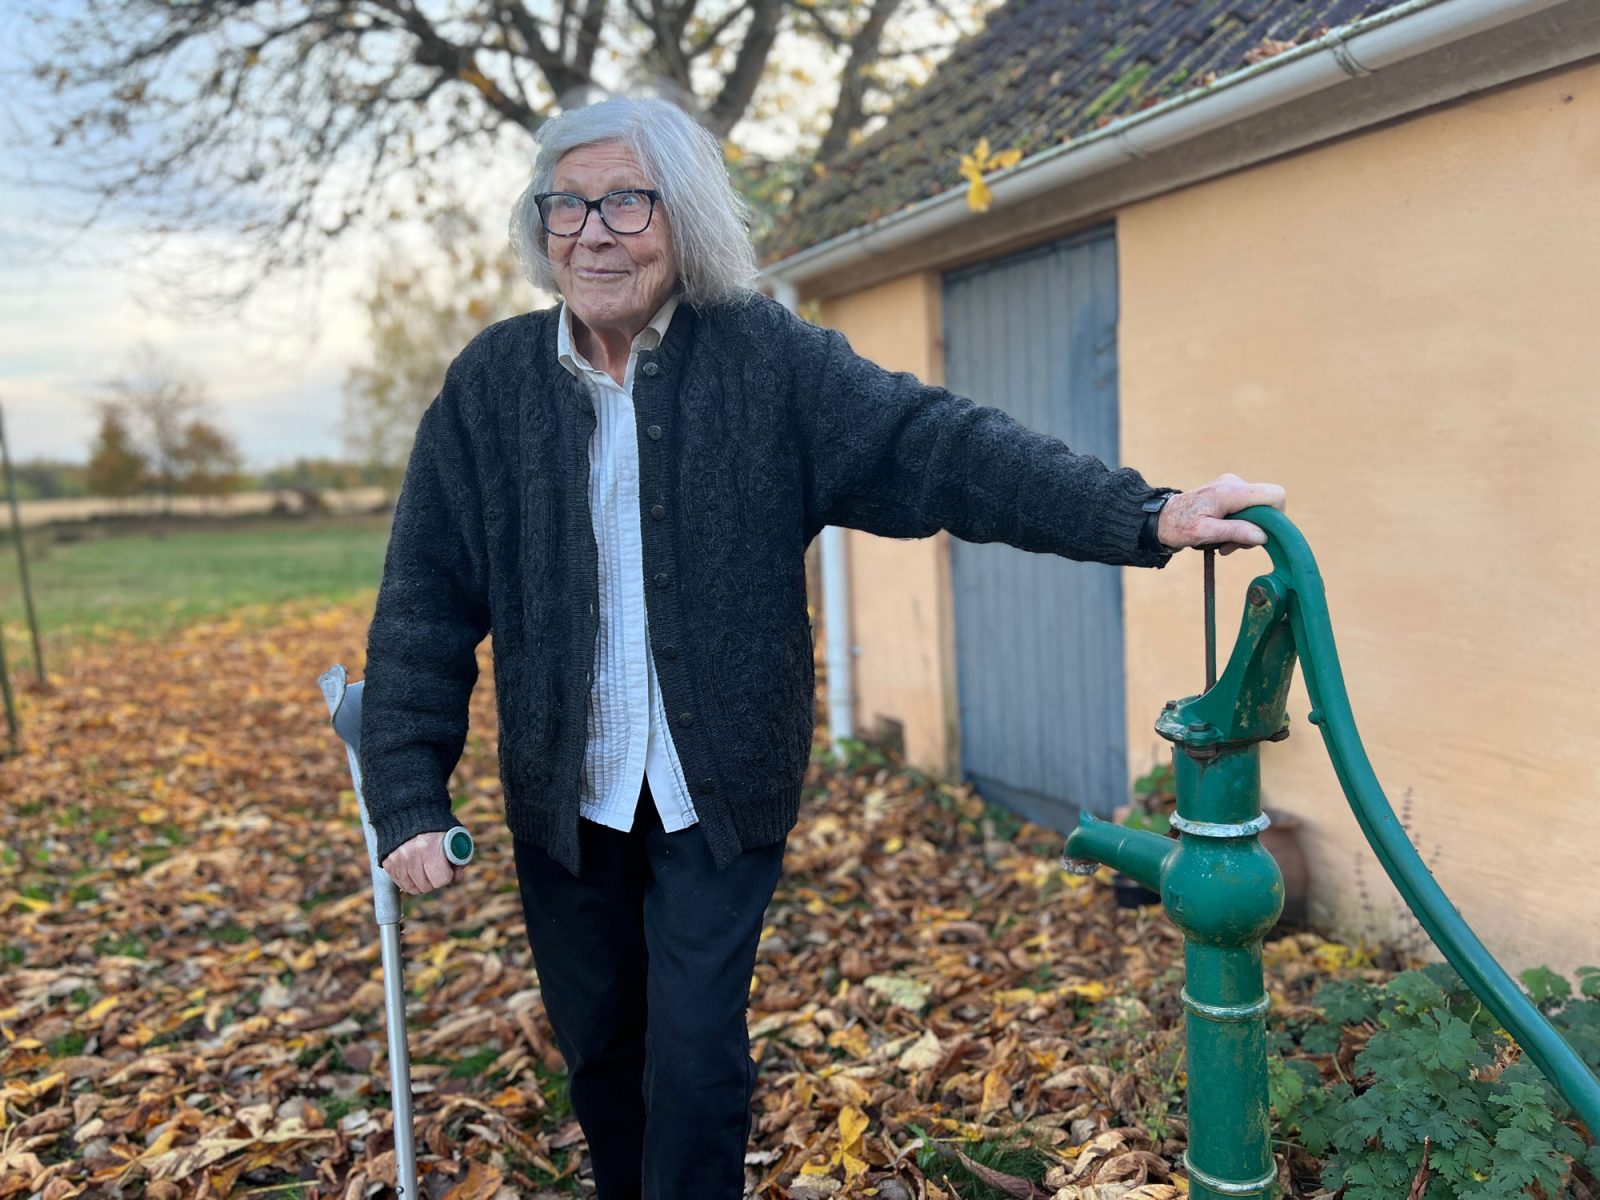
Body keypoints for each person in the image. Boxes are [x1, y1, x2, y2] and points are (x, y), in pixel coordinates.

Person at [359, 95, 1286, 1200]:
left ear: (684, 219)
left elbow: (943, 449)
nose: (591, 229)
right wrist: (409, 791)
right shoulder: (493, 385)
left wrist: (1145, 515)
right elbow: (425, 592)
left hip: (720, 791)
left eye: (624, 201)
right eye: (565, 203)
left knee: (696, 1059)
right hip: (565, 795)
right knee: (603, 1051)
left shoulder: (766, 362)